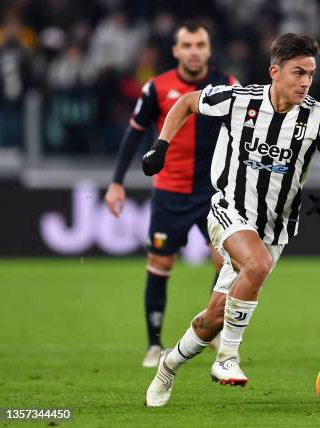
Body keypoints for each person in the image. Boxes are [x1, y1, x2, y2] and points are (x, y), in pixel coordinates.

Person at [142, 33, 320, 407]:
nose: (305, 81)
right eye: (298, 72)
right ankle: (227, 359)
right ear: (275, 71)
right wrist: (162, 144)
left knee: (212, 319)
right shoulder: (240, 100)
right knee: (257, 264)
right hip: (229, 210)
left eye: (311, 74)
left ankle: (168, 367)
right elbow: (188, 103)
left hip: (276, 228)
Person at [104, 20, 236, 368]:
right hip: (170, 192)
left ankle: (211, 328)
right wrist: (117, 182)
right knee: (161, 263)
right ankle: (153, 343)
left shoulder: (227, 85)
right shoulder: (157, 87)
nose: (194, 51)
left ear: (208, 50)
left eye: (200, 45)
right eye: (187, 45)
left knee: (226, 262)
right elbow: (134, 134)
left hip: (213, 193)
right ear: (176, 50)